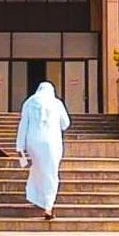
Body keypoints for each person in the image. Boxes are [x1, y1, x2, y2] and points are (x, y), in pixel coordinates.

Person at [15, 81, 70, 220]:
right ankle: (48, 206)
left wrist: (20, 146)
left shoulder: (29, 102)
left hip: (33, 142)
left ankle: (37, 198)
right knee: (51, 173)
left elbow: (23, 125)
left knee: (38, 169)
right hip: (52, 143)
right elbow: (65, 124)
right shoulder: (56, 103)